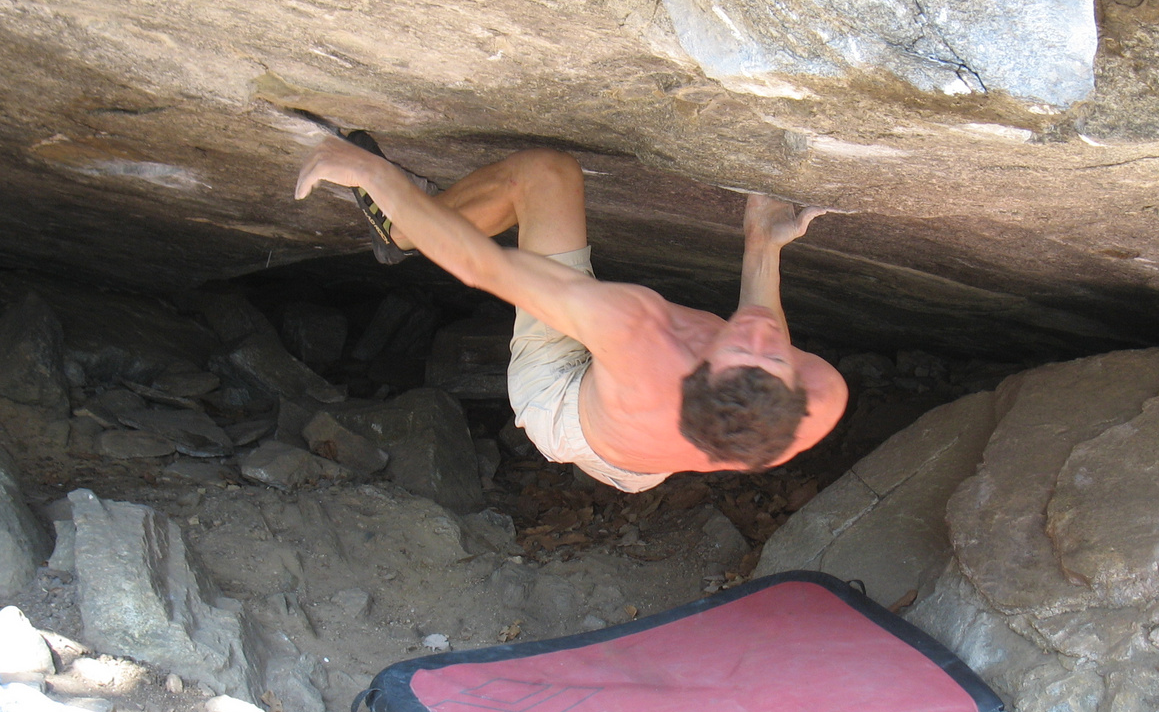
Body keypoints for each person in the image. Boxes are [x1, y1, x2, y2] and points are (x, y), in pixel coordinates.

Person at [295, 137, 848, 493]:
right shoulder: (816, 399)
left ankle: (398, 233)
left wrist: (372, 174)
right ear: (794, 386)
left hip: (560, 402)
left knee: (543, 175)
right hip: (641, 463)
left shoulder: (635, 331)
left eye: (736, 347)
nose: (756, 330)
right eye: (774, 354)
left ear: (695, 369)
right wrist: (763, 246)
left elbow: (482, 266)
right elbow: (755, 345)